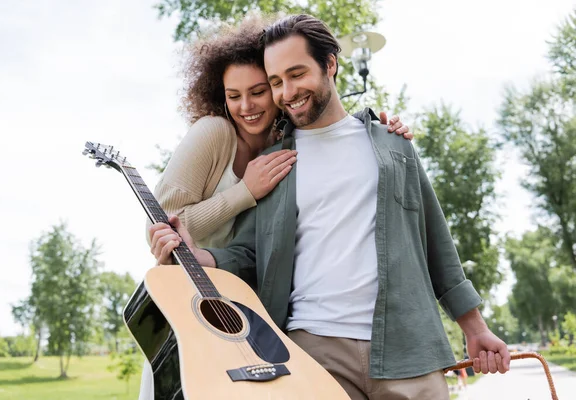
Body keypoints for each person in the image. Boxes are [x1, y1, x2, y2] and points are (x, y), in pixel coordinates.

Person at [149, 14, 512, 400]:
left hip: (408, 347)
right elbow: (251, 253)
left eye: (297, 73)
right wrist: (197, 256)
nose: (287, 91)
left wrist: (475, 328)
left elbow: (436, 245)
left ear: (330, 65)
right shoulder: (276, 163)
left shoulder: (392, 146)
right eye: (276, 82)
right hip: (313, 353)